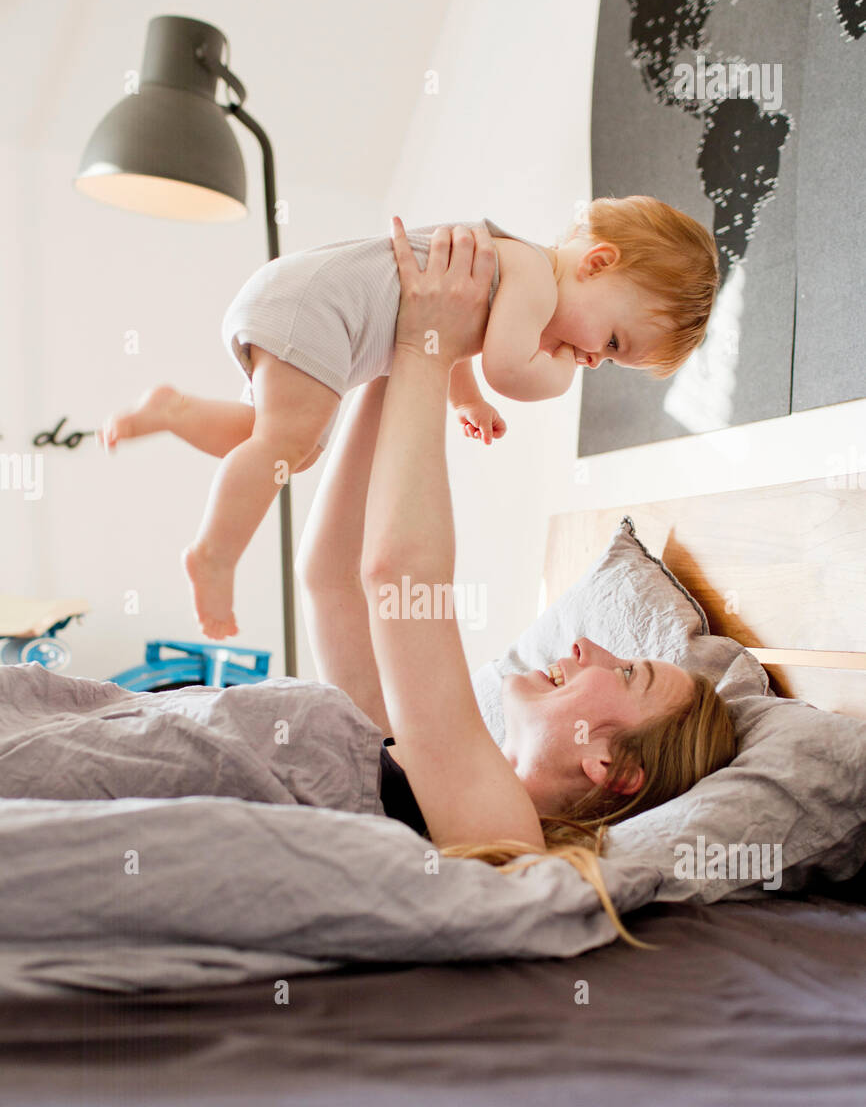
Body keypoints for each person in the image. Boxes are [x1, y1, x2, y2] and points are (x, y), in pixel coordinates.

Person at [296, 218, 737, 949]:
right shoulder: (427, 766)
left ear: (609, 767)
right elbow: (331, 582)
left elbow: (398, 577)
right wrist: (395, 340)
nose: (588, 645)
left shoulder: (501, 828)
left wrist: (424, 347)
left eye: (627, 671)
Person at [98, 198, 719, 640]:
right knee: (283, 444)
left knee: (291, 445)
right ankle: (215, 554)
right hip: (318, 308)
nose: (592, 360)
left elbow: (447, 347)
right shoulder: (533, 272)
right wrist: (558, 372)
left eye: (611, 360)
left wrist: (465, 400)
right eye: (612, 342)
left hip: (301, 300)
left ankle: (174, 410)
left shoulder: (516, 275)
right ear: (598, 263)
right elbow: (509, 369)